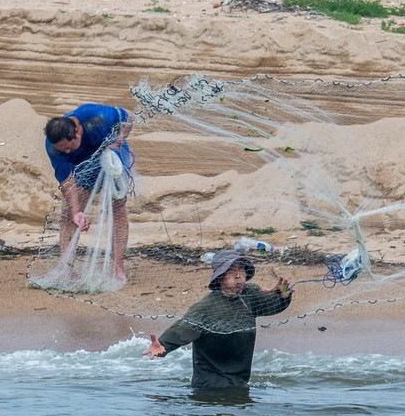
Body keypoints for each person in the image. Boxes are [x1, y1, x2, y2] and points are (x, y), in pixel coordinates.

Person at [142, 250, 293, 389]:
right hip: (210, 386)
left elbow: (272, 306)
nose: (238, 276)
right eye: (231, 272)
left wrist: (283, 295)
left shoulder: (250, 295)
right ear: (220, 277)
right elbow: (182, 329)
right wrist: (163, 345)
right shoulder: (205, 307)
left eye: (241, 270)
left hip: (239, 382)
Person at [44, 104, 134, 282]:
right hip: (85, 166)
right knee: (68, 214)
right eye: (63, 151)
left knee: (117, 209)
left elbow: (129, 117)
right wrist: (77, 211)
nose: (67, 152)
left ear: (77, 132)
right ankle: (67, 268)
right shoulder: (54, 148)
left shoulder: (95, 117)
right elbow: (67, 181)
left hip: (111, 156)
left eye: (69, 148)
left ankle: (117, 268)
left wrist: (117, 142)